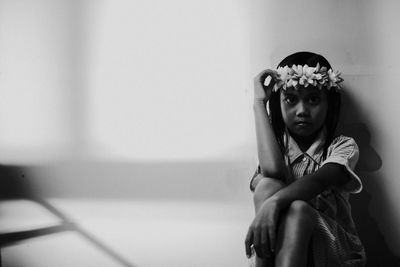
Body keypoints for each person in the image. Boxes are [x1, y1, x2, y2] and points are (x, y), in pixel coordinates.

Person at [244, 52, 366, 267]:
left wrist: (274, 202)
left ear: (328, 103)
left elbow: (318, 182)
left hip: (334, 251)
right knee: (267, 186)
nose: (302, 111)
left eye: (313, 99)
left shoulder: (343, 146)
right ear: (278, 103)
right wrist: (259, 104)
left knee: (297, 211)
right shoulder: (273, 150)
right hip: (283, 250)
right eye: (290, 99)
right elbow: (272, 174)